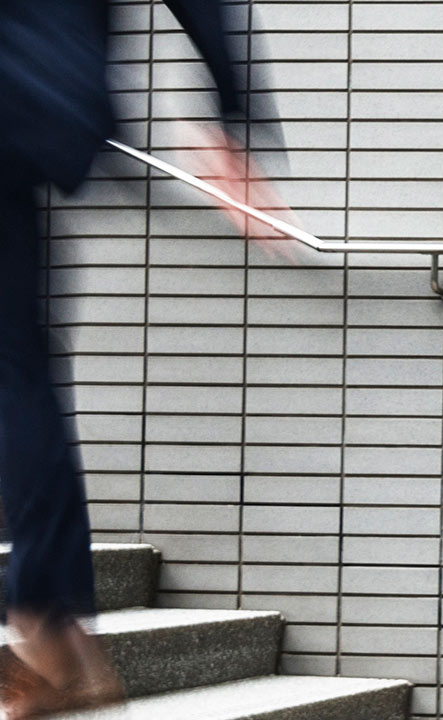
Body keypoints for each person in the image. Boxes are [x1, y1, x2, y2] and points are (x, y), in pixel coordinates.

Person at [1, 0, 286, 715]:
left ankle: (53, 632)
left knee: (14, 376)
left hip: (16, 98)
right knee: (20, 371)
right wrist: (232, 114)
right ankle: (56, 629)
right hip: (50, 103)